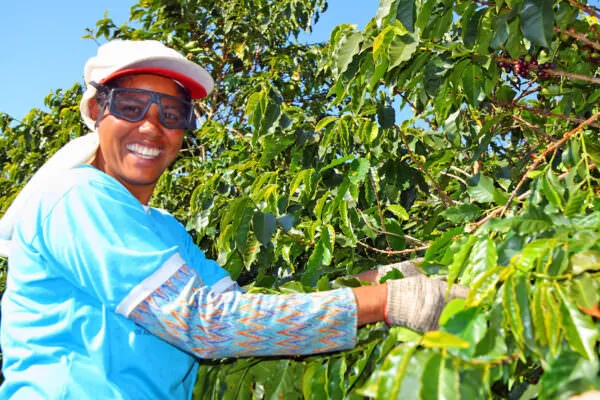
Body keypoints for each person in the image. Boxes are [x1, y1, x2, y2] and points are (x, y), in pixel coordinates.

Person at [0, 39, 467, 399]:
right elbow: (204, 324)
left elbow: (241, 310)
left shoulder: (163, 228)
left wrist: (374, 279)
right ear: (95, 110)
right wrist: (383, 303)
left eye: (172, 113)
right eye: (129, 106)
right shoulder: (76, 197)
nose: (151, 126)